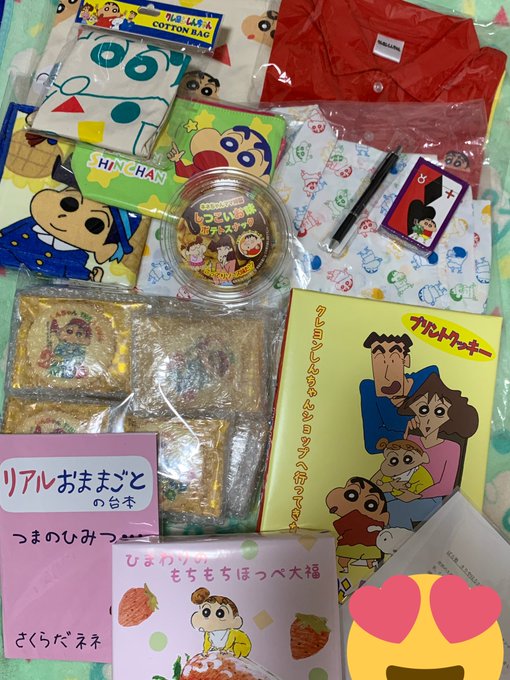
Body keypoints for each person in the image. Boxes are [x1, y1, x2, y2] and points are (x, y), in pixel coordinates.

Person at [386, 373, 478, 529]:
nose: (428, 419)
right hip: (409, 488)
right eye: (423, 410)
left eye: (439, 412)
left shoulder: (451, 448)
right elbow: (403, 468)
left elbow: (446, 486)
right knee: (385, 499)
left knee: (396, 509)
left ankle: (401, 541)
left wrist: (417, 495)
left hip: (432, 498)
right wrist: (405, 436)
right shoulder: (413, 439)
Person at [359, 332, 439, 453]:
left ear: (406, 360)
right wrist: (410, 435)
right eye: (379, 361)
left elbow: (442, 428)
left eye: (393, 360)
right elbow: (373, 443)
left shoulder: (427, 379)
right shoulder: (369, 390)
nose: (386, 375)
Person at [190, 587, 252, 658]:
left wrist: (225, 649)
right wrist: (205, 651)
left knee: (236, 649)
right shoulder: (208, 633)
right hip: (223, 651)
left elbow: (230, 641)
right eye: (206, 612)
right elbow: (207, 642)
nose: (212, 619)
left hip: (239, 645)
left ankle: (236, 656)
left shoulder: (231, 632)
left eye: (220, 614)